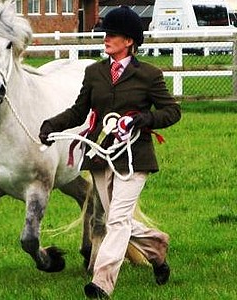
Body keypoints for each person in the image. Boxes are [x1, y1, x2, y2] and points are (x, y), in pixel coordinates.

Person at [39, 6, 181, 299]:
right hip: (101, 155)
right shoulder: (94, 73)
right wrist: (52, 124)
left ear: (129, 41)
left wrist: (144, 120)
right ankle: (156, 245)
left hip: (134, 157)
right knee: (121, 219)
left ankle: (102, 283)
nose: (106, 38)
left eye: (113, 34)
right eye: (106, 33)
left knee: (115, 221)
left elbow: (172, 111)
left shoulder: (149, 75)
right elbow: (79, 111)